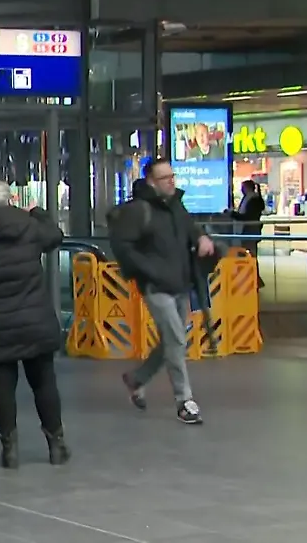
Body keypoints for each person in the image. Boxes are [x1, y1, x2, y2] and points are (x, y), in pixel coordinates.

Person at [0, 181, 69, 469]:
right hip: (35, 320)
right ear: (11, 200)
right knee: (44, 383)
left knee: (2, 385)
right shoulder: (29, 227)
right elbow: (55, 236)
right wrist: (39, 213)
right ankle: (56, 445)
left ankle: (10, 450)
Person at [112, 158, 217, 424]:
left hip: (179, 283)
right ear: (151, 182)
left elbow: (189, 228)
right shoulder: (139, 211)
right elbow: (123, 247)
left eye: (172, 176)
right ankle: (184, 400)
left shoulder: (175, 206)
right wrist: (148, 271)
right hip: (156, 286)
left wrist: (201, 237)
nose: (171, 182)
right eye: (164, 178)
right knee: (177, 340)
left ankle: (137, 379)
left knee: (173, 339)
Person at [229, 179, 266, 288]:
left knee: (250, 255)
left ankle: (253, 279)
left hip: (249, 231)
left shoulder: (252, 200)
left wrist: (233, 214)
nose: (241, 189)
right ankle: (253, 278)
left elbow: (247, 217)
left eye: (243, 187)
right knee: (250, 255)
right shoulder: (253, 199)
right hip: (250, 231)